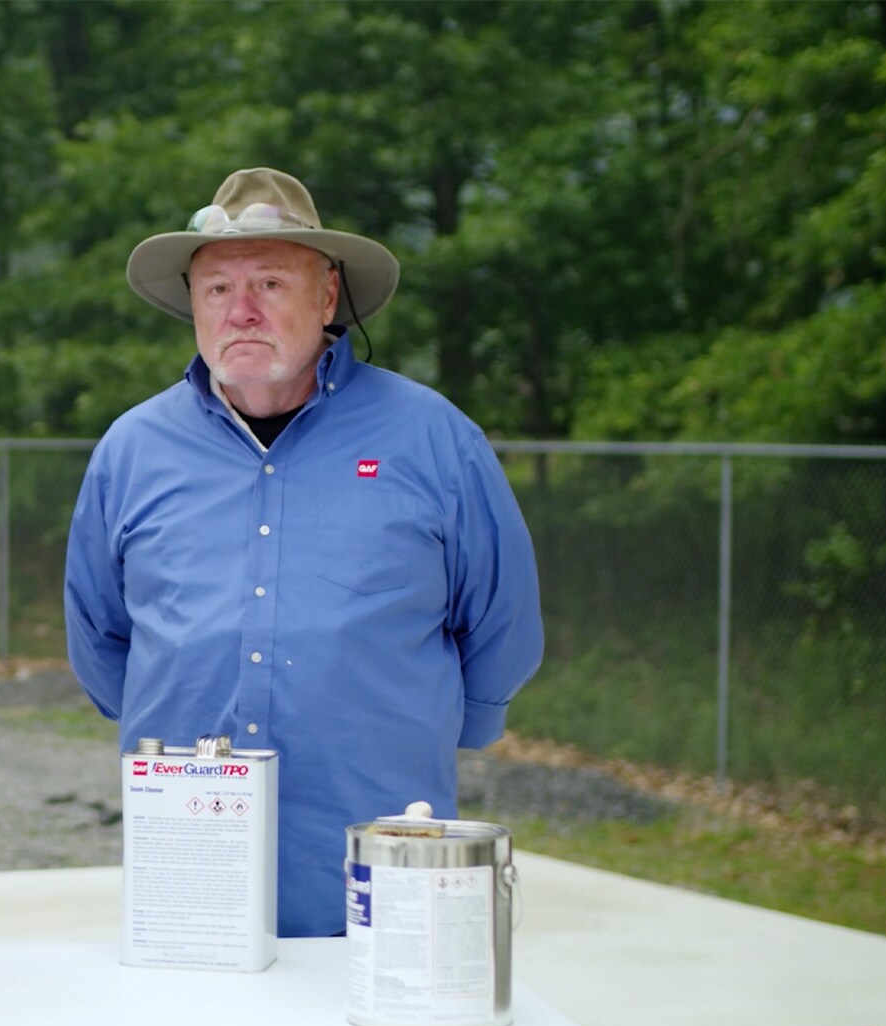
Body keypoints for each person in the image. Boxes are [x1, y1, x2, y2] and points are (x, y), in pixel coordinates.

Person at [64, 168, 544, 937]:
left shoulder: (434, 440)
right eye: (217, 289)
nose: (241, 311)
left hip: (381, 848)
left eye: (271, 283)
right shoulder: (132, 451)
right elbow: (99, 639)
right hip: (190, 862)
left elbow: (501, 620)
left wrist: (433, 729)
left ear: (328, 298)